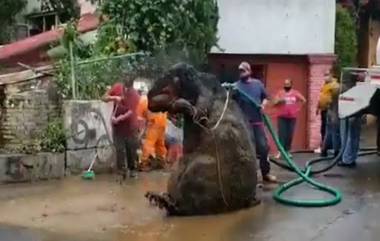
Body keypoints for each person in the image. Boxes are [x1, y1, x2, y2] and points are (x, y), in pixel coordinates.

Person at [233, 61, 277, 183]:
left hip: (257, 122)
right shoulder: (236, 87)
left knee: (263, 148)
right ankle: (246, 177)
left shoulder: (258, 84)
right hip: (243, 124)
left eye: (244, 70)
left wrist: (263, 105)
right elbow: (230, 102)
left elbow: (266, 97)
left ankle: (266, 173)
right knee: (245, 150)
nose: (242, 73)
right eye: (240, 71)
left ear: (250, 71)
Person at [103, 78, 140, 178]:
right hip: (118, 128)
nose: (126, 91)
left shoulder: (135, 95)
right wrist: (114, 98)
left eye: (128, 89)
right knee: (119, 150)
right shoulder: (117, 87)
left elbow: (130, 112)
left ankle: (132, 170)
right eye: (125, 88)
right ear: (123, 84)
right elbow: (104, 98)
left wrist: (118, 118)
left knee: (131, 151)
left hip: (131, 127)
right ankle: (122, 172)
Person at [273, 78, 306, 159]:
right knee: (281, 134)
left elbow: (304, 100)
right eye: (285, 84)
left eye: (288, 84)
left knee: (290, 134)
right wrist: (280, 100)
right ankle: (280, 151)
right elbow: (274, 103)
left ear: (291, 85)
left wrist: (298, 109)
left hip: (292, 117)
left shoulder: (295, 93)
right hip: (282, 117)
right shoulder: (280, 93)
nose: (286, 85)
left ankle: (287, 151)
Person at [136, 95, 168, 171]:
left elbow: (140, 120)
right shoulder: (152, 98)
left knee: (148, 144)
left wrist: (140, 133)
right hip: (163, 121)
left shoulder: (141, 103)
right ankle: (161, 161)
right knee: (160, 143)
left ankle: (144, 163)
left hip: (154, 123)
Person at [319, 73, 341, 158]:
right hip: (335, 112)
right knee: (335, 133)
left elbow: (322, 100)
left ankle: (324, 151)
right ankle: (336, 151)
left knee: (328, 132)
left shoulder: (326, 87)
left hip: (328, 111)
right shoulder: (336, 86)